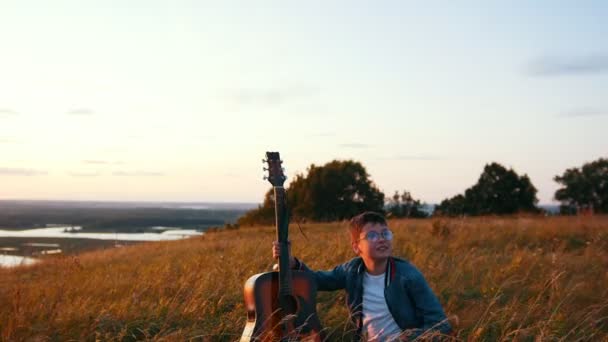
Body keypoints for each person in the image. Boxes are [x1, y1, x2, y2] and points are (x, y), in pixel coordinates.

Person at [272, 211, 452, 341]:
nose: (382, 239)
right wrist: (293, 263)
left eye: (385, 234)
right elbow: (317, 280)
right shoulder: (352, 270)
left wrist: (408, 338)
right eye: (372, 235)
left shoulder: (408, 276)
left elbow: (441, 325)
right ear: (356, 247)